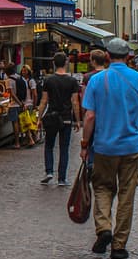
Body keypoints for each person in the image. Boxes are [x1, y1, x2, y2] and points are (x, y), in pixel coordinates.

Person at [80, 37, 138, 259]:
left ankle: (104, 228)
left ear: (107, 56)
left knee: (102, 187)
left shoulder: (96, 80)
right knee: (126, 194)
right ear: (129, 57)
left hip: (104, 146)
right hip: (131, 146)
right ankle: (119, 245)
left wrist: (85, 145)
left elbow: (90, 116)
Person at [37, 52, 81, 185]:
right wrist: (77, 120)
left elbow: (44, 101)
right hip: (66, 118)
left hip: (51, 116)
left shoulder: (48, 80)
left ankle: (49, 171)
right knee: (64, 148)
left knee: (49, 145)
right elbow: (75, 102)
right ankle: (62, 178)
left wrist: (39, 117)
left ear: (54, 63)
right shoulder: (72, 81)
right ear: (66, 63)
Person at [5, 63, 29, 148]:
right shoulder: (21, 78)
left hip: (13, 105)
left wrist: (18, 103)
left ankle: (17, 143)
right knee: (21, 122)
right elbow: (26, 90)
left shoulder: (8, 80)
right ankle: (25, 140)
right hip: (22, 103)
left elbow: (11, 93)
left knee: (15, 123)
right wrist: (23, 103)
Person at [20, 64, 38, 146]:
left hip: (29, 103)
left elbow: (35, 94)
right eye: (22, 70)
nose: (23, 72)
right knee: (28, 122)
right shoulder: (22, 80)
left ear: (28, 72)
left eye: (25, 70)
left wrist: (34, 105)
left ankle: (31, 139)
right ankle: (34, 137)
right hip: (25, 103)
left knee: (28, 122)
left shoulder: (31, 81)